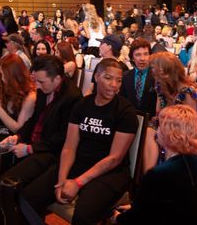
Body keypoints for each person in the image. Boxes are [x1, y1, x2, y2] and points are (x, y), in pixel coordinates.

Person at [54, 58, 138, 224]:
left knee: (83, 214)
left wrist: (77, 183)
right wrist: (61, 181)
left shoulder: (125, 112)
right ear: (96, 77)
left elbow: (114, 158)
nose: (114, 84)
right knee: (33, 193)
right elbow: (69, 147)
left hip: (111, 173)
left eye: (119, 80)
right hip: (80, 163)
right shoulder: (82, 105)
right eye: (108, 78)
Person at [0, 55, 82, 224]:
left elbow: (63, 138)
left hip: (55, 154)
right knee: (6, 182)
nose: (36, 85)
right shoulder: (44, 89)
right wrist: (18, 136)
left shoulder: (72, 97)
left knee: (23, 193)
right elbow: (33, 120)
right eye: (36, 80)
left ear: (57, 78)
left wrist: (29, 149)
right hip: (39, 148)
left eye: (41, 82)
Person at [117, 105, 197, 225]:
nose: (157, 130)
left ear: (169, 133)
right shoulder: (194, 158)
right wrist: (136, 208)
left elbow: (137, 218)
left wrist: (118, 218)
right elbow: (166, 203)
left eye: (160, 126)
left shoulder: (159, 173)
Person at [143, 52, 197, 173]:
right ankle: (148, 176)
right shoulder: (161, 87)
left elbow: (191, 125)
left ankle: (154, 177)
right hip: (166, 125)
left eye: (156, 73)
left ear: (166, 74)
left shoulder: (187, 92)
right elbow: (158, 113)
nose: (154, 77)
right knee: (148, 132)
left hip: (185, 132)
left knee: (158, 138)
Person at [0, 54, 36, 139]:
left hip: (13, 142)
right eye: (1, 74)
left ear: (14, 76)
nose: (3, 79)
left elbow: (19, 129)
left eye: (4, 75)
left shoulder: (30, 96)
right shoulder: (6, 88)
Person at [120, 38, 157, 117]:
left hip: (151, 122)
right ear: (132, 58)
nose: (142, 59)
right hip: (128, 119)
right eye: (138, 55)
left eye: (146, 54)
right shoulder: (125, 76)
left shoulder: (157, 76)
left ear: (150, 55)